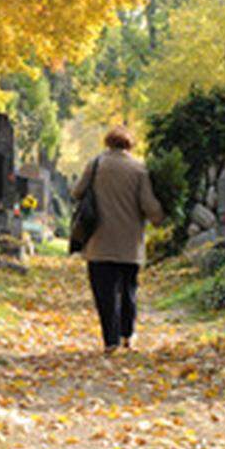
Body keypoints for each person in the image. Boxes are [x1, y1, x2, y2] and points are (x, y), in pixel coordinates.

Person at [71, 125, 165, 352]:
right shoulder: (138, 169)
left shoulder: (95, 165)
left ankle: (110, 341)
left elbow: (76, 192)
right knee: (128, 291)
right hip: (129, 245)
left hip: (99, 242)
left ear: (108, 143)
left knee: (105, 293)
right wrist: (160, 218)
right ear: (129, 145)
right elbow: (149, 205)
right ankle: (127, 335)